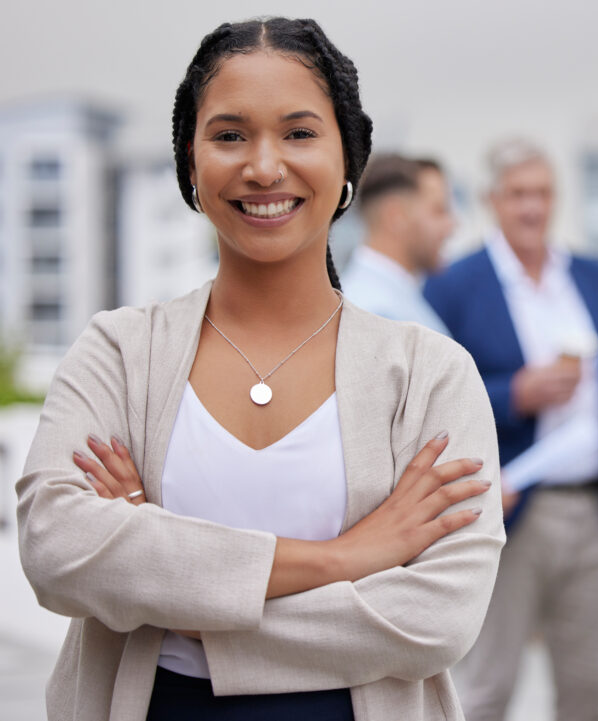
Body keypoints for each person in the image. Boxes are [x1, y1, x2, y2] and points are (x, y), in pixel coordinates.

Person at [16, 17, 503, 721]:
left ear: (349, 162)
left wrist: (170, 592)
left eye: (300, 133)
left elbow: (437, 619)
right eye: (230, 135)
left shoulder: (429, 374)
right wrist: (345, 557)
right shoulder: (120, 352)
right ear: (190, 162)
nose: (264, 166)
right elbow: (57, 547)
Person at [424, 138, 598, 721]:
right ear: (494, 200)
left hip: (588, 508)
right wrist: (514, 393)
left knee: (588, 679)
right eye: (518, 194)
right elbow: (430, 399)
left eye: (543, 193)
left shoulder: (589, 275)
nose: (532, 207)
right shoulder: (455, 285)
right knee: (490, 683)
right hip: (509, 505)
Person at [340, 153, 454, 334]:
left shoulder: (394, 297)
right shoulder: (374, 313)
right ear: (396, 216)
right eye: (438, 211)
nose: (452, 225)